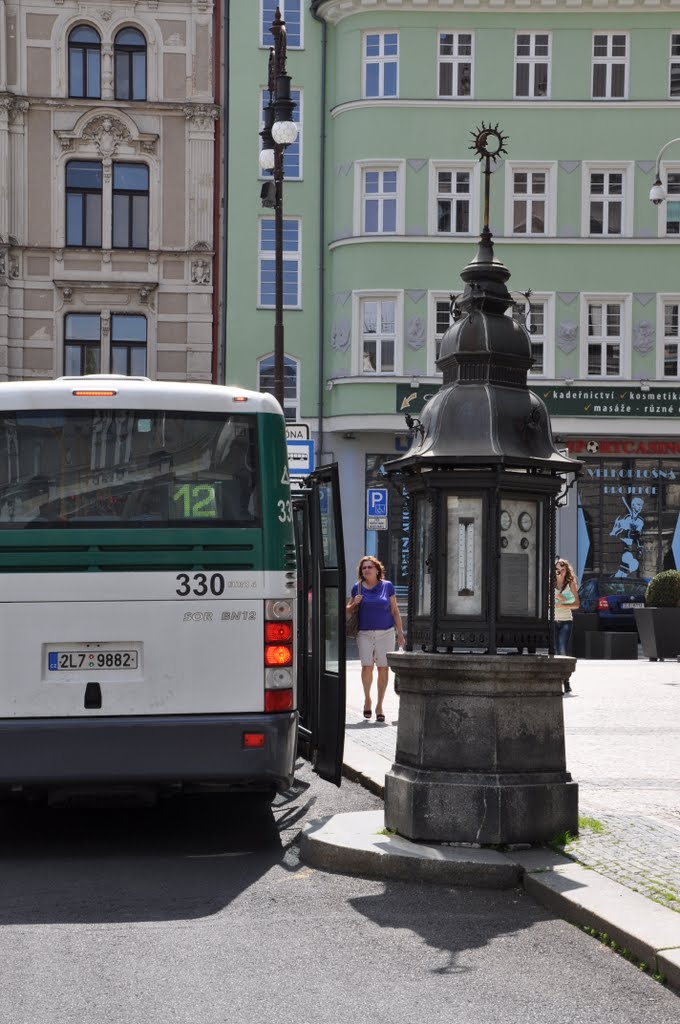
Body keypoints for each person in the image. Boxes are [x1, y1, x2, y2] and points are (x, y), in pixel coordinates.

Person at [346, 555, 405, 722]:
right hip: (364, 633)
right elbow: (347, 610)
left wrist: (400, 634)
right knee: (366, 667)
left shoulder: (387, 586)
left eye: (369, 567)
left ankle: (379, 705)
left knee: (383, 668)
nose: (366, 570)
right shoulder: (357, 588)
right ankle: (367, 700)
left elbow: (394, 611)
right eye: (363, 568)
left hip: (386, 632)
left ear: (377, 570)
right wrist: (354, 603)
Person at [554, 556, 579, 693]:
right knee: (554, 652)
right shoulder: (549, 583)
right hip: (552, 620)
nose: (560, 572)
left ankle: (566, 681)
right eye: (558, 569)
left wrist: (562, 601)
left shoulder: (571, 584)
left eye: (563, 570)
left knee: (562, 651)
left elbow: (576, 605)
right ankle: (556, 681)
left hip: (566, 621)